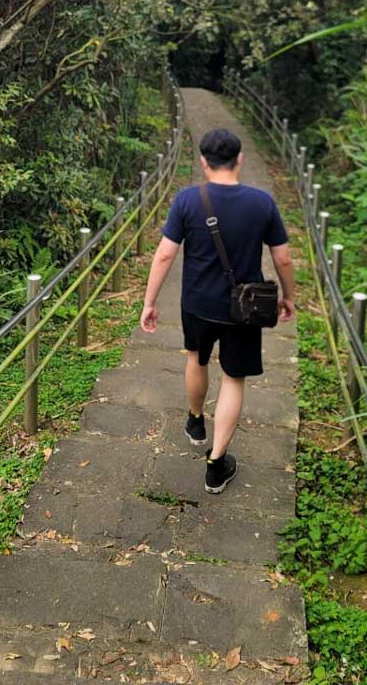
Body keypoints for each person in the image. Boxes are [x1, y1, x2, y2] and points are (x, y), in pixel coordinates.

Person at [140, 127, 296, 494]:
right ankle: (216, 463)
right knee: (233, 377)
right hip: (243, 309)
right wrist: (288, 296)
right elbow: (283, 257)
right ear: (239, 159)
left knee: (196, 358)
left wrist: (149, 302)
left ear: (203, 163)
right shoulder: (262, 203)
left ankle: (195, 421)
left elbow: (164, 253)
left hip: (197, 303)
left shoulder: (187, 200)